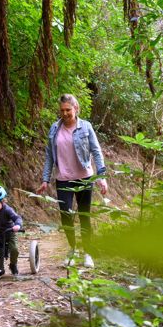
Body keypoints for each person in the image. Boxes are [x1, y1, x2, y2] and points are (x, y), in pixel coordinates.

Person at [36, 93, 108, 268]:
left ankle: (88, 253)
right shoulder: (54, 129)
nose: (65, 113)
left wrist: (101, 177)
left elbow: (96, 151)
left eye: (68, 109)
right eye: (62, 110)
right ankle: (73, 249)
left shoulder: (86, 127)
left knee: (84, 217)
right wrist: (45, 179)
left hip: (84, 178)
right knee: (66, 217)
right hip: (63, 180)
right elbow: (49, 156)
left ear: (76, 108)